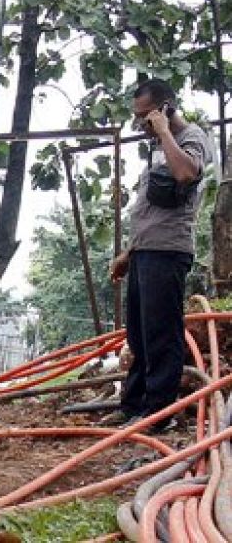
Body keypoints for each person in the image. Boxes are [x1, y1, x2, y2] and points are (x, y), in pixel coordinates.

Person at [104, 79, 214, 432]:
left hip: (168, 253)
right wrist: (129, 253)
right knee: (137, 335)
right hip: (145, 253)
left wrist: (165, 130)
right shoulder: (156, 147)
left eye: (145, 116)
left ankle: (158, 415)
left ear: (165, 107)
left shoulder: (192, 138)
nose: (141, 125)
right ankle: (132, 405)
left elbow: (186, 173)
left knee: (161, 335)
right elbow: (152, 209)